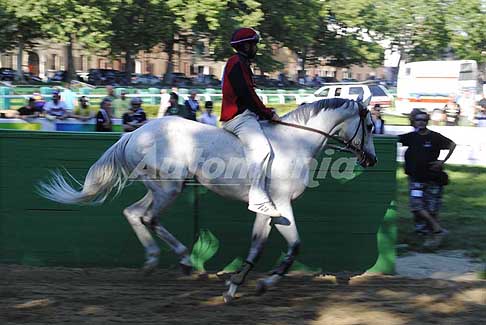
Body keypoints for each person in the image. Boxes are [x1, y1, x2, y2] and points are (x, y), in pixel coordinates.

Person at [220, 27, 281, 217]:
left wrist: (266, 113)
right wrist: (267, 114)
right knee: (262, 149)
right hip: (238, 118)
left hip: (245, 115)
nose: (256, 48)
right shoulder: (237, 62)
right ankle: (257, 198)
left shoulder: (241, 62)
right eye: (254, 44)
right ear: (245, 46)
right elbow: (246, 95)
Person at [398, 109, 456, 236]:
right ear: (414, 121)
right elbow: (393, 140)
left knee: (432, 207)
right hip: (415, 179)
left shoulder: (435, 137)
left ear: (427, 121)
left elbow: (452, 145)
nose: (421, 122)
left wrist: (442, 162)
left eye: (424, 120)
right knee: (416, 206)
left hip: (433, 178)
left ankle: (426, 231)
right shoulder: (411, 137)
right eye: (418, 120)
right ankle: (435, 228)